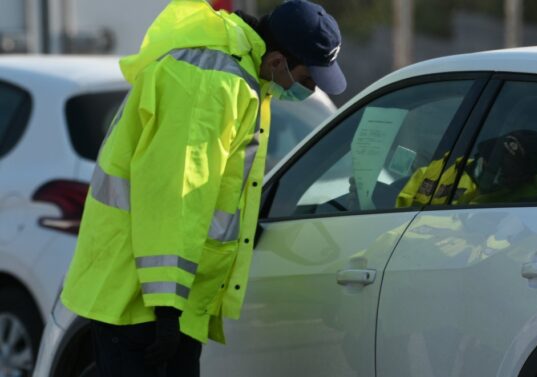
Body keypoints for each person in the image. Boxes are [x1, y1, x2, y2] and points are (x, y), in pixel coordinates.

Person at [59, 1, 346, 376]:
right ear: (277, 61)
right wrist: (166, 308)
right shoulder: (214, 84)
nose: (309, 89)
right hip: (140, 300)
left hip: (156, 297)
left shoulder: (238, 76)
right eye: (308, 79)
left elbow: (209, 191)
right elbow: (175, 195)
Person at [396, 129, 537, 208]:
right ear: (483, 154)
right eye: (492, 161)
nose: (493, 172)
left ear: (525, 177)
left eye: (506, 171)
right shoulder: (438, 171)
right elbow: (398, 211)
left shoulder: (530, 204)